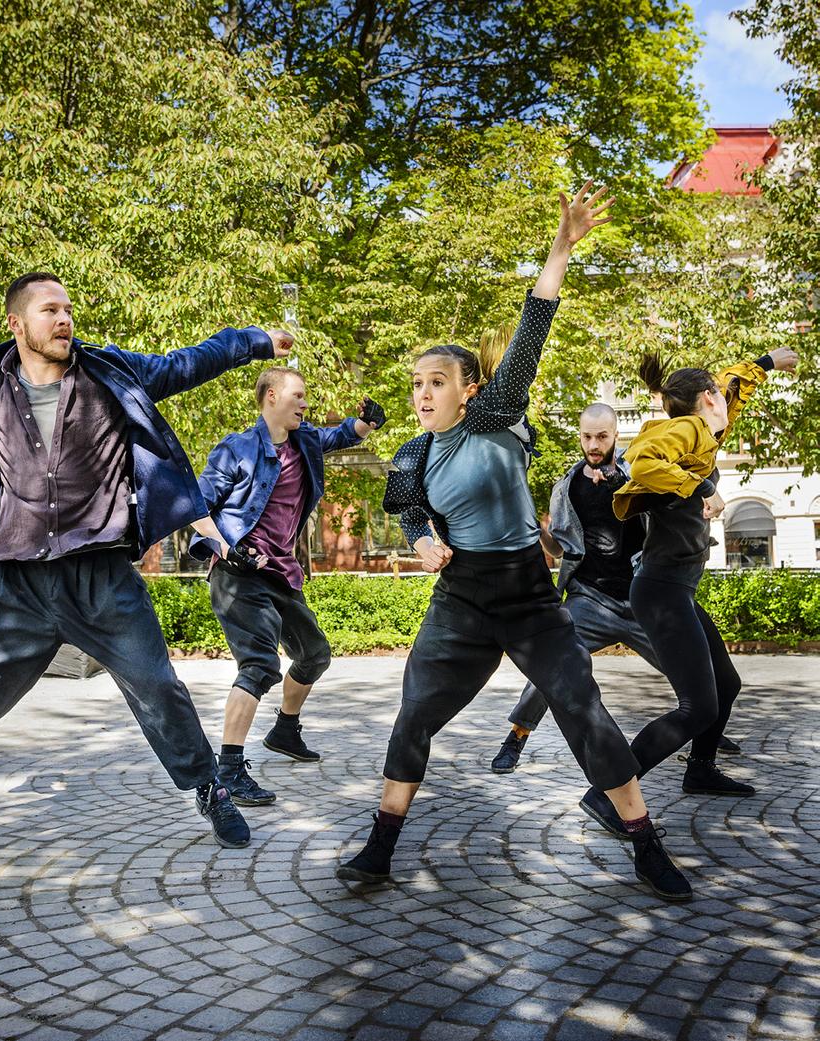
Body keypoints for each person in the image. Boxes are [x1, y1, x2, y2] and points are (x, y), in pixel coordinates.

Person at [336, 183, 694, 902]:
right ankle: (380, 846)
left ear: (468, 389)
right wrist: (420, 543)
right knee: (414, 716)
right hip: (462, 598)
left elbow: (534, 323)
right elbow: (408, 513)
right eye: (415, 384)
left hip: (530, 596)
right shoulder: (410, 454)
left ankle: (646, 845)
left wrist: (561, 246)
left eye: (436, 381)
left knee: (585, 711)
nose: (422, 393)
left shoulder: (497, 415)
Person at [0, 271, 292, 869]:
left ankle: (210, 787)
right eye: (50, 310)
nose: (65, 319)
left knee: (157, 687)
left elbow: (186, 363)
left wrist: (255, 340)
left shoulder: (108, 374)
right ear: (16, 324)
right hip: (11, 581)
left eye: (68, 309)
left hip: (100, 575)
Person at [578, 345, 799, 816]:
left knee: (726, 685)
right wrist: (704, 487)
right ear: (707, 398)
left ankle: (700, 770)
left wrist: (765, 363)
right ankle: (607, 793)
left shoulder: (702, 431)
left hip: (673, 588)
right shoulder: (684, 429)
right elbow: (642, 459)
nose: (728, 400)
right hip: (660, 591)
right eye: (720, 394)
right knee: (697, 706)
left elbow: (731, 385)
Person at [489, 404, 740, 776]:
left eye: (602, 436)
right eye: (587, 436)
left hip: (642, 596)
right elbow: (559, 548)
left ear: (616, 435)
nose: (594, 444)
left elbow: (676, 484)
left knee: (694, 672)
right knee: (553, 664)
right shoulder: (566, 487)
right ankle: (517, 735)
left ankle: (704, 729)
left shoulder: (640, 469)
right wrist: (536, 531)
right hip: (589, 599)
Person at [189, 368, 386, 805]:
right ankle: (228, 771)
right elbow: (195, 505)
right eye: (298, 396)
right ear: (272, 396)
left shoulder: (305, 441)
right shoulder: (237, 449)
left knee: (314, 655)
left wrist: (368, 422)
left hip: (280, 573)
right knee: (259, 666)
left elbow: (341, 436)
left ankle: (284, 730)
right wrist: (223, 547)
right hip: (238, 573)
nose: (304, 404)